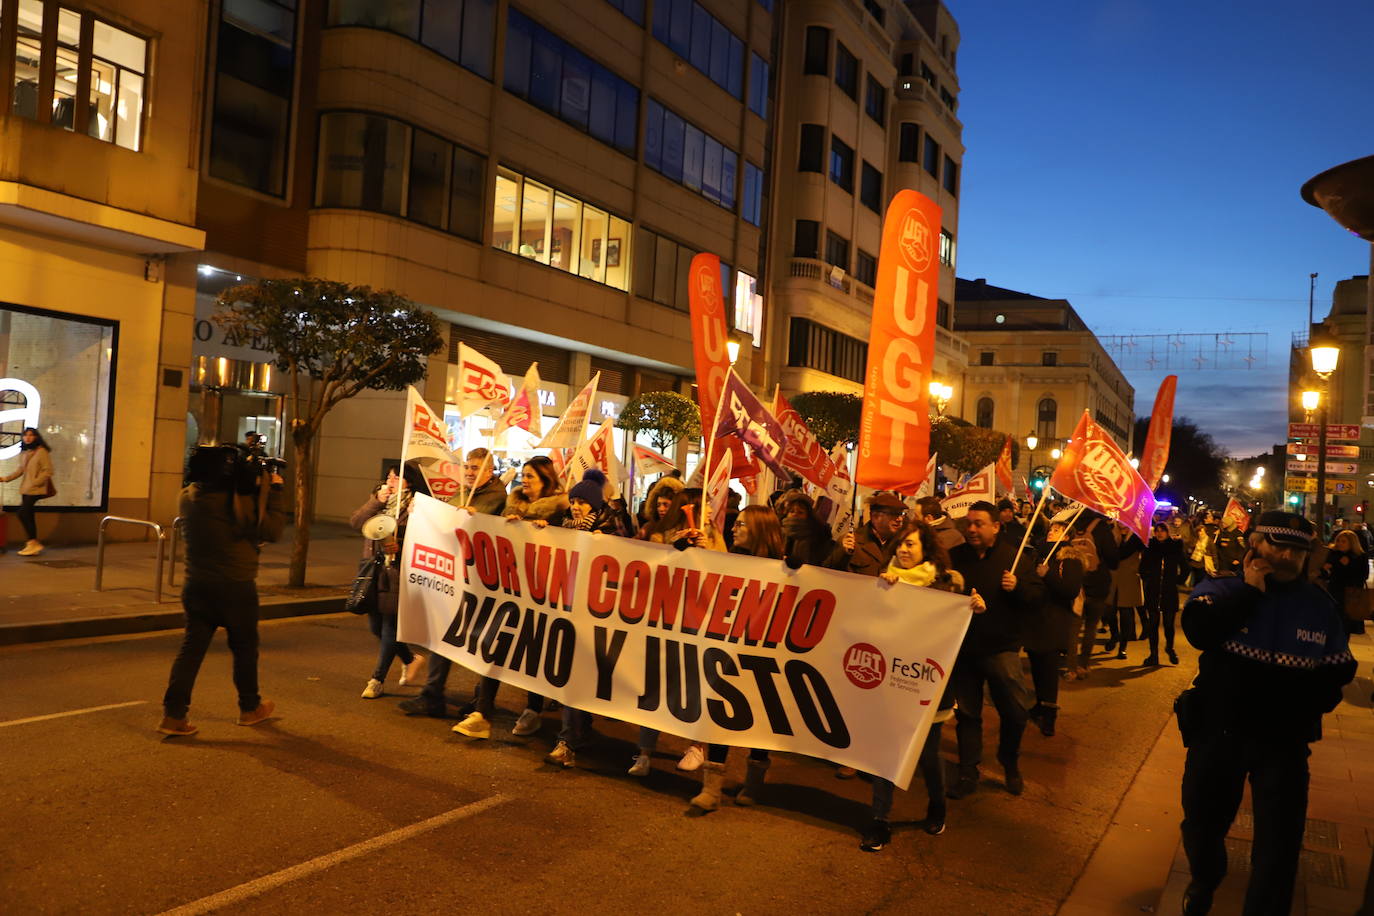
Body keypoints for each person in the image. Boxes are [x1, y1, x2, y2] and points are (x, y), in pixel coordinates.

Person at [1177, 512, 1357, 915]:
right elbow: (1200, 632)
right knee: (1201, 824)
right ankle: (1205, 879)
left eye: (1297, 549)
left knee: (1279, 844)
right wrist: (1250, 592)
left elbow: (1339, 669)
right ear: (1254, 544)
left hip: (1284, 743)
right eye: (1277, 545)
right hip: (1220, 734)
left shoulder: (1319, 606)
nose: (1287, 555)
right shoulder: (1222, 590)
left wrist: (1304, 706)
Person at [860, 519, 984, 852]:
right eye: (900, 543)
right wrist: (882, 592)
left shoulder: (947, 585)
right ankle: (879, 820)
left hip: (930, 684)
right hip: (889, 680)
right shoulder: (885, 580)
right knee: (886, 750)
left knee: (928, 754)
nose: (902, 549)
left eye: (910, 544)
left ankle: (936, 806)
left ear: (925, 549)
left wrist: (973, 609)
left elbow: (956, 632)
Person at [157, 445, 286, 736]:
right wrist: (274, 492)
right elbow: (273, 531)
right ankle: (249, 708)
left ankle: (173, 715)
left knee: (191, 651)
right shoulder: (237, 504)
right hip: (235, 587)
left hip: (197, 586)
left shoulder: (188, 498)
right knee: (244, 650)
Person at [453, 455, 568, 739]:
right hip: (510, 590)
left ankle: (533, 710)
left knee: (534, 651)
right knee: (496, 643)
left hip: (543, 595)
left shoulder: (559, 512)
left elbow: (572, 544)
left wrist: (551, 532)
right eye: (524, 475)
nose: (524, 481)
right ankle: (482, 712)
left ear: (545, 481)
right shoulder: (511, 505)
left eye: (531, 476)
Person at [684, 505, 785, 809]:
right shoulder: (731, 560)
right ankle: (711, 789)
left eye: (741, 524)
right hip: (727, 652)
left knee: (759, 717)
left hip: (762, 655)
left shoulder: (783, 568)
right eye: (736, 522)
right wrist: (692, 552)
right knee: (720, 712)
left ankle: (753, 782)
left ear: (759, 530)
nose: (734, 528)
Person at [399, 448, 508, 719]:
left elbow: (474, 524)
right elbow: (445, 517)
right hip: (457, 577)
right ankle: (432, 695)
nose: (470, 472)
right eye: (468, 467)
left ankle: (482, 704)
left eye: (476, 468)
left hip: (483, 583)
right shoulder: (460, 492)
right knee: (442, 634)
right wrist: (421, 510)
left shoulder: (497, 496)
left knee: (483, 643)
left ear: (490, 471)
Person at [947, 501, 1045, 798]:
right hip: (964, 649)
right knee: (967, 714)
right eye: (969, 523)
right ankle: (967, 771)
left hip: (1001, 650)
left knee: (1015, 713)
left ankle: (1009, 761)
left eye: (979, 524)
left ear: (996, 527)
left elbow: (1037, 597)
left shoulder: (1014, 559)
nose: (972, 529)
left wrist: (1018, 587)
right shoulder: (954, 557)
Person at [546, 469, 634, 769]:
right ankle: (572, 737)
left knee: (581, 674)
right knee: (572, 674)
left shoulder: (611, 528)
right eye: (573, 500)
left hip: (598, 615)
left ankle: (572, 737)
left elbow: (629, 554)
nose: (576, 506)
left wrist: (608, 545)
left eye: (583, 502)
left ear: (595, 506)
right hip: (568, 609)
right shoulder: (563, 525)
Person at [349, 464, 428, 700]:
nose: (391, 480)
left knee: (389, 627)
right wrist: (376, 501)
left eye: (397, 476)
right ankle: (409, 658)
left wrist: (401, 545)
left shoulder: (416, 505)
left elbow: (424, 537)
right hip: (374, 570)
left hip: (398, 571)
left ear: (410, 482)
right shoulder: (380, 501)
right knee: (375, 626)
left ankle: (377, 679)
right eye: (389, 476)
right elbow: (356, 522)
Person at [1025, 520, 1088, 737]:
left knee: (1049, 669)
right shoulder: (1041, 554)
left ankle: (1049, 715)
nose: (1052, 532)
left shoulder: (1070, 559)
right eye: (1051, 529)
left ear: (1067, 536)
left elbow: (1070, 590)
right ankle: (1040, 705)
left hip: (1055, 620)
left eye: (1058, 530)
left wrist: (1047, 575)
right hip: (1035, 618)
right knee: (1036, 663)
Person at [1071, 511, 1120, 678]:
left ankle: (1071, 667)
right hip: (1098, 584)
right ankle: (1083, 665)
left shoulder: (1071, 524)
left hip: (1076, 584)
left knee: (1074, 627)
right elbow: (1113, 560)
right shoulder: (1102, 527)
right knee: (1091, 627)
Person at [1, 427, 54, 556]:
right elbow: (20, 470)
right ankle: (32, 544)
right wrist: (5, 478)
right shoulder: (25, 453)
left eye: (31, 435)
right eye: (25, 435)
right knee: (28, 515)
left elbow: (48, 471)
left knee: (22, 513)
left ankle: (33, 542)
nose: (28, 437)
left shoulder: (41, 451)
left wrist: (36, 482)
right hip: (26, 489)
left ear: (36, 437)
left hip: (36, 489)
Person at [827, 491, 906, 576]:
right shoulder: (852, 542)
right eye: (893, 514)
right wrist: (842, 553)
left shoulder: (901, 543)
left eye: (901, 514)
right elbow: (828, 573)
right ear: (875, 516)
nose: (899, 519)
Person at [1139, 522, 1185, 666]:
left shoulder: (1175, 548)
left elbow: (1186, 568)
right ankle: (1153, 654)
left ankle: (1169, 648)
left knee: (1168, 624)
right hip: (1153, 591)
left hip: (1168, 592)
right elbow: (1143, 568)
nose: (1159, 533)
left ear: (1167, 532)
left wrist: (1175, 581)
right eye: (1157, 531)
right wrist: (1149, 579)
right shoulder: (1150, 547)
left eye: (1162, 531)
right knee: (1153, 624)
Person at [1320, 529, 1369, 635]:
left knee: (1346, 626)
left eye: (1343, 541)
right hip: (1334, 592)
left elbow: (1364, 575)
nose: (1340, 544)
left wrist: (1348, 566)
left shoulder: (1359, 556)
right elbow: (1325, 575)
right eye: (1339, 541)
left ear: (1352, 543)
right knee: (1333, 624)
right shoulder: (1333, 554)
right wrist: (1325, 569)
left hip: (1351, 595)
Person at [778, 492, 834, 567]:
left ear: (809, 516)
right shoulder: (778, 534)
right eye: (791, 511)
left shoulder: (819, 537)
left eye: (800, 512)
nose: (795, 514)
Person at [1212, 513, 1246, 578]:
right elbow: (1217, 546)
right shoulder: (1221, 533)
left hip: (1233, 562)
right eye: (1222, 523)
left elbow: (1242, 548)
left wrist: (1238, 559)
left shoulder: (1237, 533)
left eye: (1224, 523)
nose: (1222, 525)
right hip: (1223, 561)